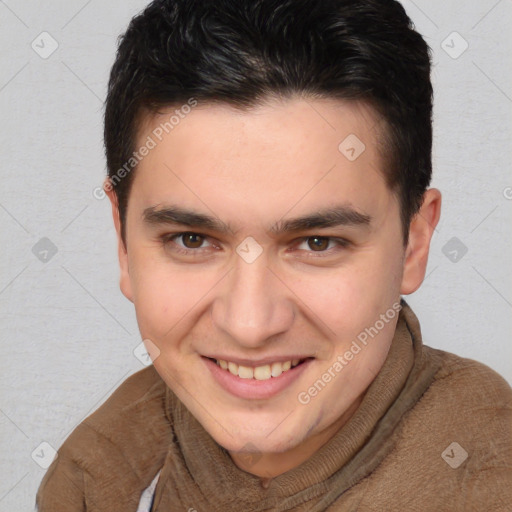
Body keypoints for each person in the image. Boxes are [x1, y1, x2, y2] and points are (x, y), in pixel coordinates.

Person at [36, 0, 512, 510]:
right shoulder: (95, 473)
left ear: (414, 242)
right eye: (191, 240)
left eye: (317, 242)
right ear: (123, 243)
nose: (249, 324)